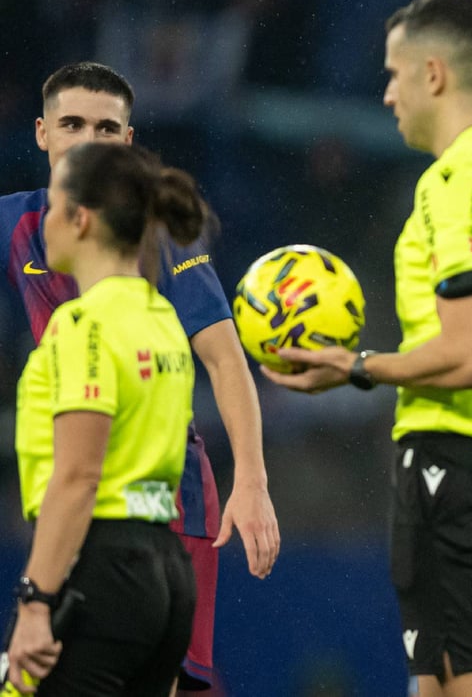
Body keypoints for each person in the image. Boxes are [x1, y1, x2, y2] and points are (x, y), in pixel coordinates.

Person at [261, 0, 472, 697]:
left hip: (462, 468)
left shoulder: (455, 184)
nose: (386, 95)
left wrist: (355, 364)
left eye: (394, 74)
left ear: (434, 74)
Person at [0, 61, 279, 693]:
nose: (87, 140)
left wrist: (254, 481)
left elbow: (226, 357)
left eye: (105, 126)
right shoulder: (18, 224)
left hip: (154, 502)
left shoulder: (152, 248)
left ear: (127, 141)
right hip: (108, 525)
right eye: (71, 124)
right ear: (42, 133)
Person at [5, 142, 208, 694]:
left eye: (52, 206)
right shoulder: (162, 317)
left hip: (96, 571)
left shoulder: (83, 325)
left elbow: (79, 477)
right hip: (167, 575)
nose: (43, 220)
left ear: (82, 218)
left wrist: (35, 601)